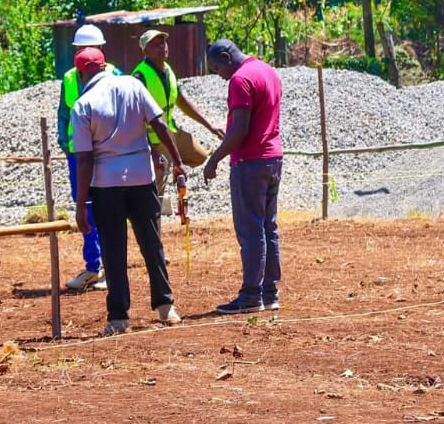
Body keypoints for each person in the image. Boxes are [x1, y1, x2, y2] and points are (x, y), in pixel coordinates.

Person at [69, 47, 186, 336]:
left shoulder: (83, 105)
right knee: (151, 243)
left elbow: (85, 159)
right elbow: (159, 124)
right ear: (104, 65)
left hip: (106, 184)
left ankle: (118, 317)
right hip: (141, 176)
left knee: (113, 249)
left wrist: (81, 203)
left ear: (81, 74)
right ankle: (165, 306)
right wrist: (177, 162)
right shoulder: (133, 85)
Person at [201, 39, 284, 315]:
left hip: (250, 162)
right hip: (273, 158)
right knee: (268, 227)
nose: (219, 75)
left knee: (251, 231)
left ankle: (250, 296)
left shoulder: (240, 80)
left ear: (227, 57)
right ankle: (269, 293)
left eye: (217, 68)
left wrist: (214, 159)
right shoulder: (268, 71)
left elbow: (239, 130)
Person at [56, 23, 121, 293]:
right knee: (86, 210)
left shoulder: (115, 75)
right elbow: (63, 114)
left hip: (106, 154)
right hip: (79, 156)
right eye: (82, 48)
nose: (87, 53)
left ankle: (109, 267)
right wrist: (65, 144)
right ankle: (93, 267)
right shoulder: (70, 78)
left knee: (109, 209)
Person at [132, 29, 224, 207]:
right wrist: (152, 151)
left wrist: (210, 126)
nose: (162, 47)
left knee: (200, 155)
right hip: (152, 140)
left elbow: (182, 101)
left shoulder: (168, 70)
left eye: (163, 43)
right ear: (145, 50)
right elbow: (134, 119)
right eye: (156, 44)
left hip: (170, 132)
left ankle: (173, 165)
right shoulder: (139, 76)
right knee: (156, 187)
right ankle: (153, 214)